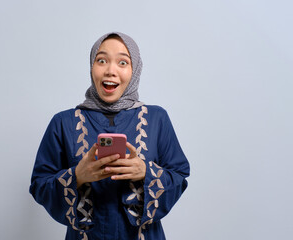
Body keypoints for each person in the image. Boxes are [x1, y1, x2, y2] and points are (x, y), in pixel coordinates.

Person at [29, 32, 190, 240]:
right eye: (102, 60)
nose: (110, 70)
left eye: (122, 62)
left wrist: (146, 172)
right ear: (91, 66)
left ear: (135, 70)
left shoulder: (157, 119)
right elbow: (39, 185)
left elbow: (179, 176)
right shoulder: (63, 123)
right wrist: (77, 176)